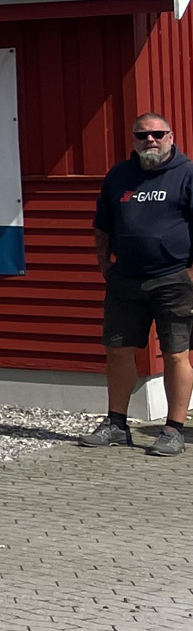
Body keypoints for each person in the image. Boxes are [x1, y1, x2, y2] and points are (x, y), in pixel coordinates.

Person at [86, 112, 193, 455]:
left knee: (176, 354)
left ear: (170, 137)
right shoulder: (119, 176)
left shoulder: (187, 173)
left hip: (173, 279)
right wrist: (104, 264)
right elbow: (103, 225)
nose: (150, 140)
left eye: (158, 134)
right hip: (125, 279)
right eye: (143, 135)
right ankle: (116, 424)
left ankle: (173, 429)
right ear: (133, 139)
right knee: (118, 351)